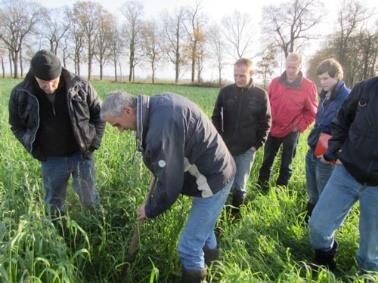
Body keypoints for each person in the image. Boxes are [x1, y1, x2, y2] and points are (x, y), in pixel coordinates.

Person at [101, 91, 235, 282]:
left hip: (213, 178)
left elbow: (170, 185)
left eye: (117, 124)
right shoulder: (155, 106)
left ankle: (198, 275)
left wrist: (149, 209)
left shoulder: (160, 129)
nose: (119, 130)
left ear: (127, 110)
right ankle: (216, 270)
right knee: (203, 230)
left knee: (188, 247)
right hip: (214, 168)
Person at [8, 50, 105, 218]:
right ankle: (58, 232)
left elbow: (100, 113)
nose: (49, 87)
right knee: (54, 202)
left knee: (89, 198)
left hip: (81, 154)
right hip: (51, 159)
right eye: (43, 83)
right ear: (34, 76)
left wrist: (94, 142)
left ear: (60, 73)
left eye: (53, 82)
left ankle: (96, 228)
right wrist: (33, 149)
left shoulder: (80, 86)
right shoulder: (21, 93)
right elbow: (16, 125)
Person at [309, 76, 378, 272]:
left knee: (372, 251)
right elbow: (342, 121)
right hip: (346, 172)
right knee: (318, 226)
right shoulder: (364, 89)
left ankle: (366, 274)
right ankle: (324, 261)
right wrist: (334, 151)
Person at [211, 58, 271, 210]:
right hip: (226, 147)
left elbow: (266, 122)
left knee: (240, 186)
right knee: (223, 182)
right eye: (235, 75)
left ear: (252, 73)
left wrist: (256, 145)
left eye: (242, 75)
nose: (238, 79)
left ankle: (235, 216)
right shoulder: (226, 92)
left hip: (247, 148)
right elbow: (216, 116)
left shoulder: (260, 95)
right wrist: (219, 139)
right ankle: (220, 214)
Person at [257, 53, 318, 191]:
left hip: (292, 130)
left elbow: (312, 111)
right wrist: (265, 122)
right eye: (288, 67)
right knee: (267, 159)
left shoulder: (308, 86)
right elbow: (266, 105)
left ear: (300, 67)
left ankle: (281, 188)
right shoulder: (275, 82)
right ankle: (261, 185)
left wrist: (298, 126)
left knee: (286, 162)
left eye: (294, 67)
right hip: (273, 128)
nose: (290, 70)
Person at [305, 59, 350, 219]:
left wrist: (334, 154)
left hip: (328, 152)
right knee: (312, 189)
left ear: (337, 76)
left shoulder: (347, 98)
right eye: (320, 79)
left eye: (326, 78)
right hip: (313, 148)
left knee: (324, 190)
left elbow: (349, 131)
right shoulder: (325, 95)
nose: (322, 82)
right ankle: (309, 218)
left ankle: (321, 224)